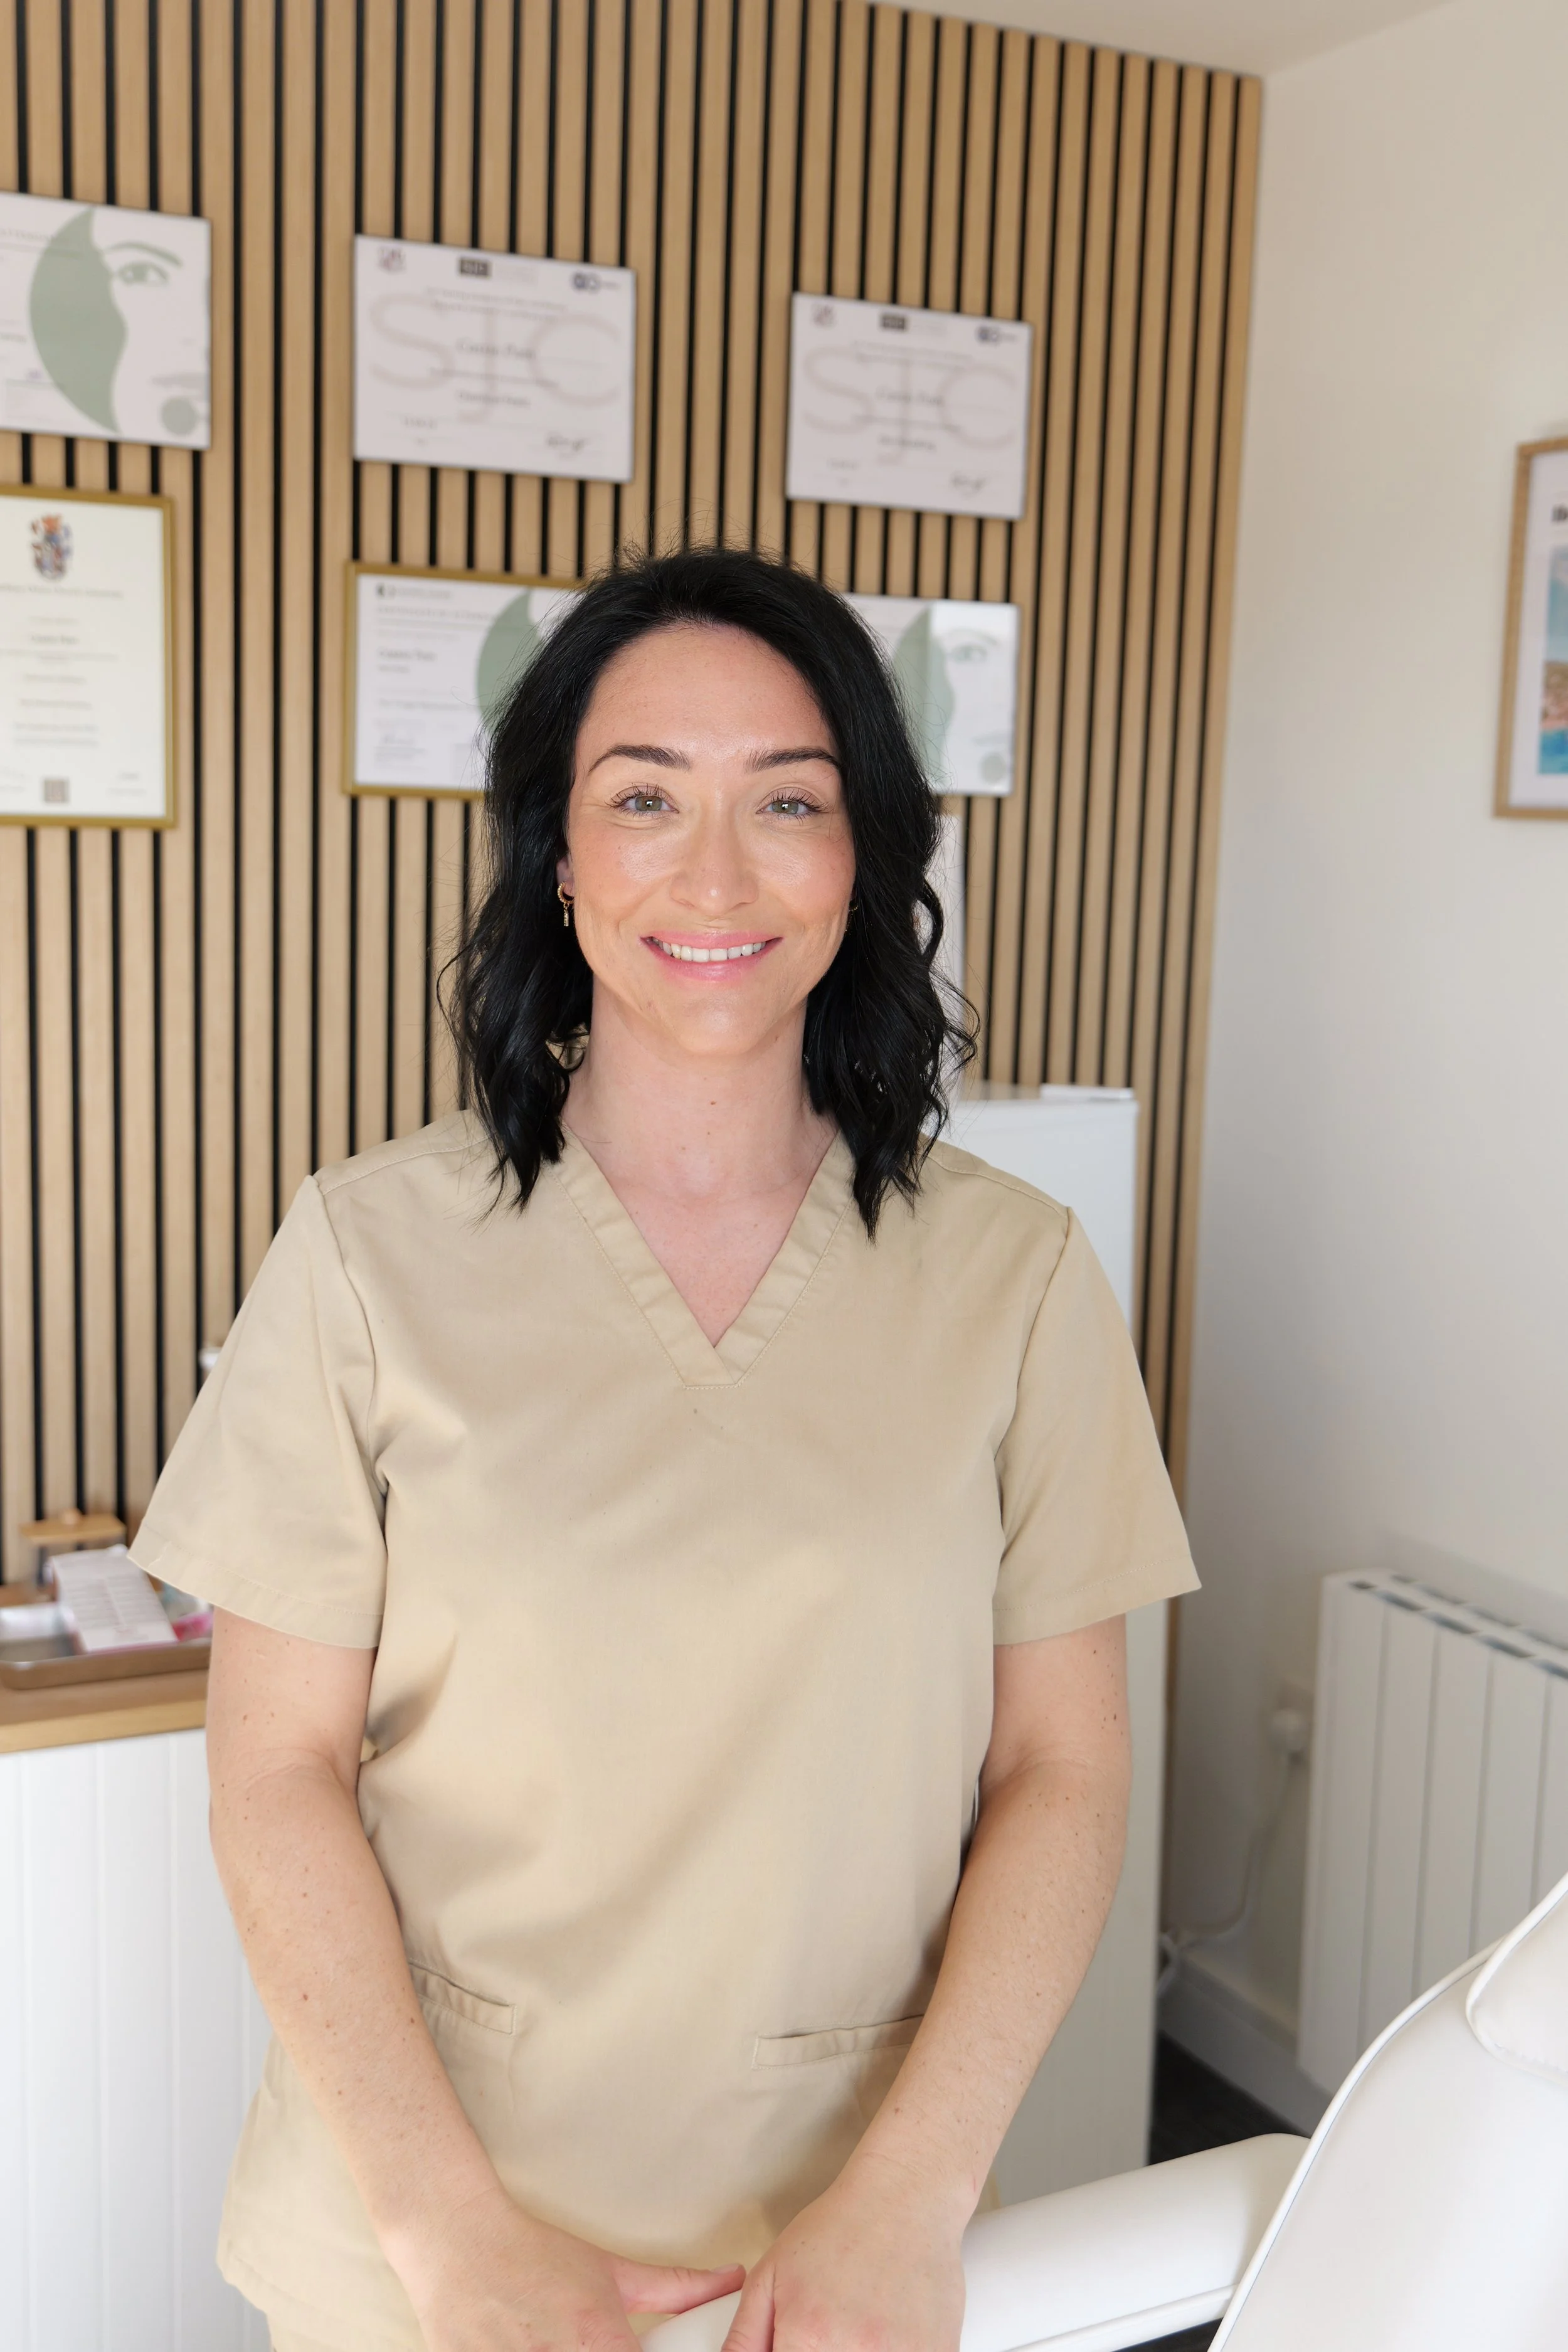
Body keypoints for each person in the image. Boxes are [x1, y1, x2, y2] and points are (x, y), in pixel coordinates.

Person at [131, 547, 1197, 2352]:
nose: (714, 875)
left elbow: (1063, 1770)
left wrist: (911, 2195)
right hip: (424, 2238)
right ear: (558, 854)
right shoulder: (366, 1251)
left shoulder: (1016, 1277)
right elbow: (276, 1772)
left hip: (843, 2236)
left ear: (864, 854)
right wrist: (451, 2236)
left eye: (787, 799)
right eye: (643, 798)